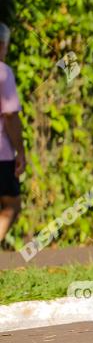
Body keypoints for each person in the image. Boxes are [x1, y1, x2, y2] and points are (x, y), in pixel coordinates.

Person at [0, 23, 26, 248]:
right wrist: (21, 151)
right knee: (12, 204)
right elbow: (10, 116)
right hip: (1, 154)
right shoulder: (3, 72)